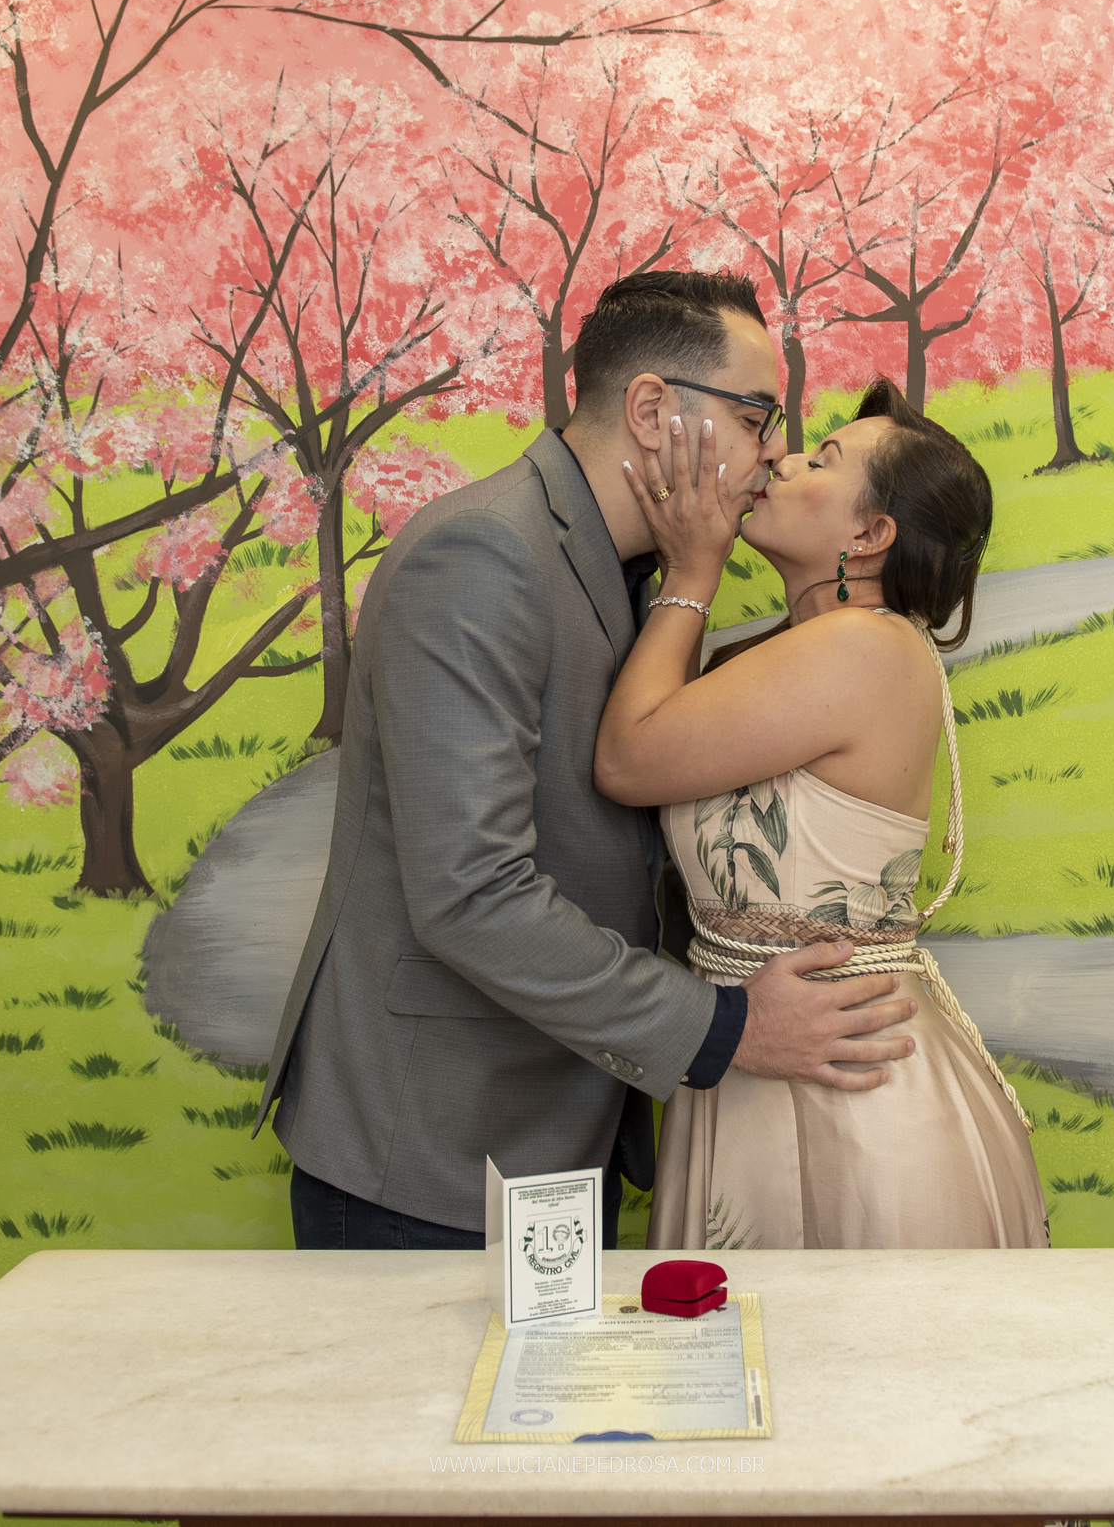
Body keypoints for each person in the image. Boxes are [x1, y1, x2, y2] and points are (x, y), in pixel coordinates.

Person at [254, 273, 922, 1251]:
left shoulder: (636, 571)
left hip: (564, 1130)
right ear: (651, 411)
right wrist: (727, 1026)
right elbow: (471, 893)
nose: (772, 452)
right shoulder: (482, 555)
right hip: (432, 1147)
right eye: (755, 418)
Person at [594, 375, 1048, 1250]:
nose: (784, 458)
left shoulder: (864, 647)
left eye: (823, 458)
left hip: (856, 1095)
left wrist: (691, 572)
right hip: (761, 1052)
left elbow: (625, 759)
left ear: (870, 535)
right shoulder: (781, 653)